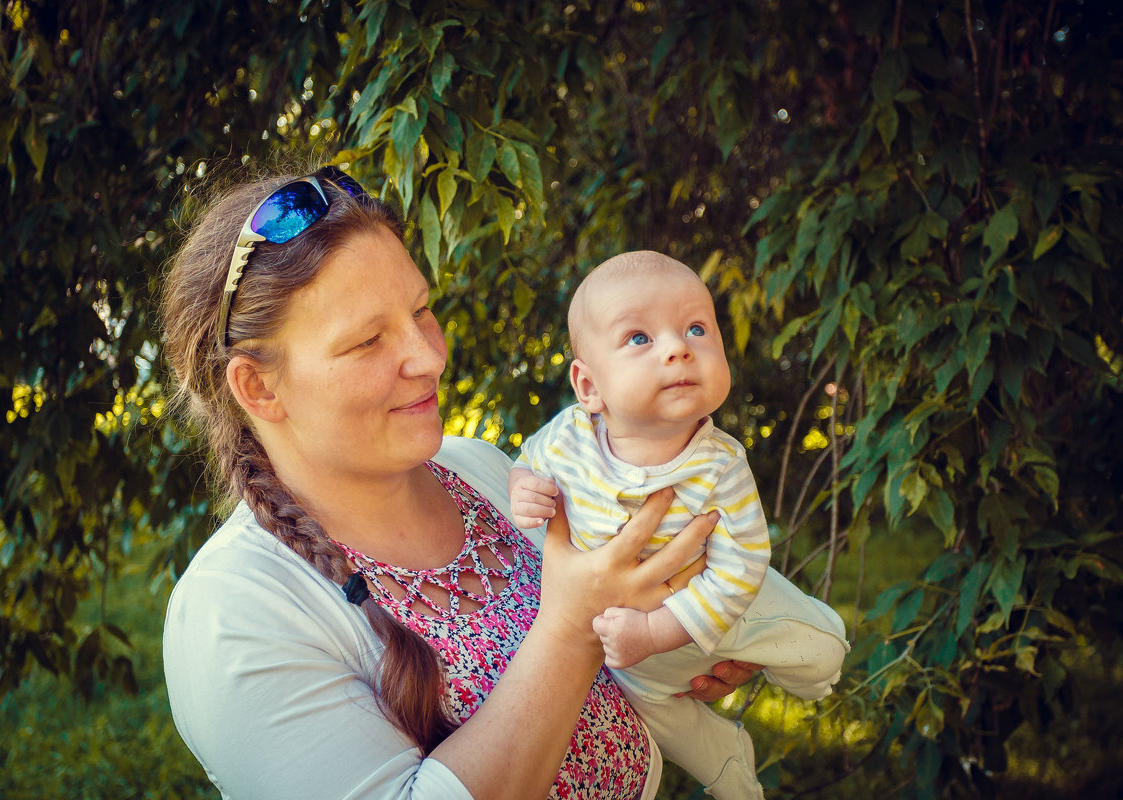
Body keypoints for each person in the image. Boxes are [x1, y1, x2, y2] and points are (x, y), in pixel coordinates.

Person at [158, 163, 761, 800]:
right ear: (258, 387)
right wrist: (570, 628)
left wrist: (687, 637)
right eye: (367, 342)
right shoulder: (234, 612)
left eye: (421, 312)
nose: (429, 357)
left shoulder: (479, 468)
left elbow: (625, 630)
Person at [509, 251, 850, 800]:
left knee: (821, 649)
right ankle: (729, 771)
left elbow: (742, 565)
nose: (677, 347)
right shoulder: (568, 438)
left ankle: (810, 675)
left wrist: (657, 632)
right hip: (626, 651)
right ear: (589, 386)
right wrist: (522, 487)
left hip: (716, 604)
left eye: (696, 328)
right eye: (640, 338)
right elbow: (528, 463)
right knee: (662, 727)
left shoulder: (720, 464)